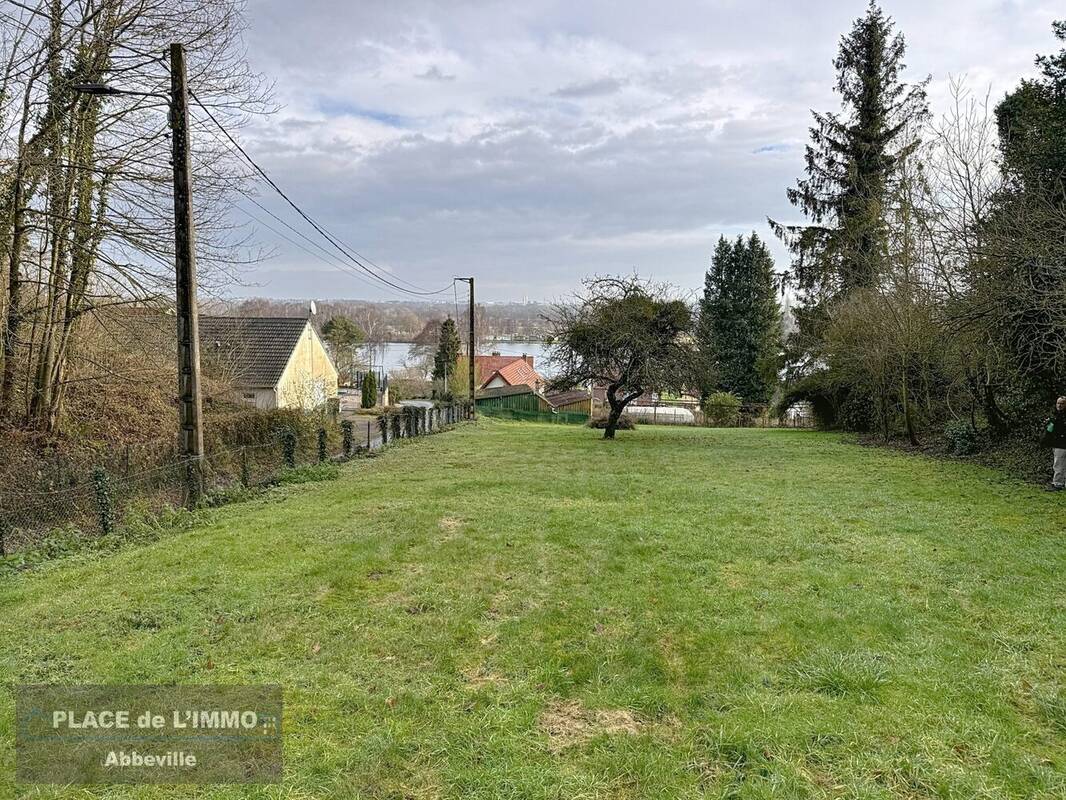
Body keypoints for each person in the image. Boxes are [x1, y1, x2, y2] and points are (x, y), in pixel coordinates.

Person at [1044, 395, 1066, 491]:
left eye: (1062, 403)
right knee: (1058, 464)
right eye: (1058, 403)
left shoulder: (1060, 416)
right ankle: (1059, 483)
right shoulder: (1055, 415)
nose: (1060, 405)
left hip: (1061, 443)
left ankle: (1057, 483)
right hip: (1057, 443)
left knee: (1058, 464)